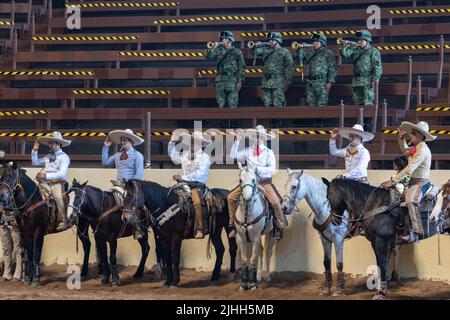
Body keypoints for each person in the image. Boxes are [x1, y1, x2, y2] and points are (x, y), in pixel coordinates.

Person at [227, 125, 287, 239]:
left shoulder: (269, 152)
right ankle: (232, 223)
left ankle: (280, 224)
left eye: (259, 137)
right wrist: (238, 140)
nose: (257, 138)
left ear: (263, 138)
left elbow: (272, 168)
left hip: (264, 182)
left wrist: (258, 170)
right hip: (249, 181)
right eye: (255, 136)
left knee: (275, 202)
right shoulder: (247, 151)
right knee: (230, 197)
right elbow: (232, 156)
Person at [382, 121, 436, 243]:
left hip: (421, 183)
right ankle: (400, 228)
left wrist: (392, 181)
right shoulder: (416, 149)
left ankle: (416, 234)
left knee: (411, 201)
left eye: (413, 133)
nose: (410, 135)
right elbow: (406, 152)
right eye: (411, 133)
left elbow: (409, 169)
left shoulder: (422, 151)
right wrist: (401, 140)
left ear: (421, 136)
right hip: (412, 182)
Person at [168, 131, 212, 239]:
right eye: (191, 142)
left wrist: (182, 177)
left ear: (201, 144)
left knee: (197, 201)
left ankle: (200, 229)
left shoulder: (205, 157)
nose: (192, 144)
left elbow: (199, 174)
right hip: (183, 184)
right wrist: (172, 143)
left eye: (195, 142)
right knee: (168, 195)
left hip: (197, 185)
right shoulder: (185, 154)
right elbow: (174, 158)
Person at [32, 131, 71, 232]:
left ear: (58, 144)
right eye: (49, 143)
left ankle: (63, 220)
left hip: (57, 182)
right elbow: (35, 162)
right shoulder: (48, 156)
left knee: (58, 197)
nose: (49, 145)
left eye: (51, 143)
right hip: (45, 182)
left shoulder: (64, 157)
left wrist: (46, 175)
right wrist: (35, 150)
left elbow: (62, 174)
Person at [250, 32, 295, 107]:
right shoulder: (265, 50)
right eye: (269, 40)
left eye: (272, 40)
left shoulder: (284, 51)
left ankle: (279, 119)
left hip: (278, 82)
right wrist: (254, 46)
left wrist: (288, 80)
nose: (270, 41)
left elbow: (290, 66)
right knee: (267, 104)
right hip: (266, 82)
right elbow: (254, 52)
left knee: (278, 105)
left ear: (278, 41)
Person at [340, 30, 382, 106]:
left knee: (367, 103)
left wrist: (375, 79)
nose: (359, 42)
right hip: (357, 80)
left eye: (362, 40)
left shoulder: (373, 51)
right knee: (357, 103)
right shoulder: (355, 49)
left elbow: (377, 66)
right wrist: (344, 46)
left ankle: (367, 118)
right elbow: (345, 54)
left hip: (368, 80)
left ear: (367, 40)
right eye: (359, 40)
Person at [205, 31, 246, 108]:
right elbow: (208, 57)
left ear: (230, 40)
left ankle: (233, 120)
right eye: (222, 39)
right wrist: (213, 47)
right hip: (220, 80)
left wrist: (240, 81)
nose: (223, 40)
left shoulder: (237, 52)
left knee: (233, 105)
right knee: (221, 105)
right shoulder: (218, 50)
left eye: (225, 39)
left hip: (232, 81)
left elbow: (241, 67)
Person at [296, 33, 337, 106]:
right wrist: (299, 49)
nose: (314, 43)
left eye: (317, 41)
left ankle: (321, 117)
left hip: (322, 82)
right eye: (314, 41)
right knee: (310, 104)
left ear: (322, 42)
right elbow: (301, 57)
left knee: (322, 104)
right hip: (310, 82)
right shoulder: (310, 52)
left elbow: (332, 68)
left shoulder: (327, 53)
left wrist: (330, 82)